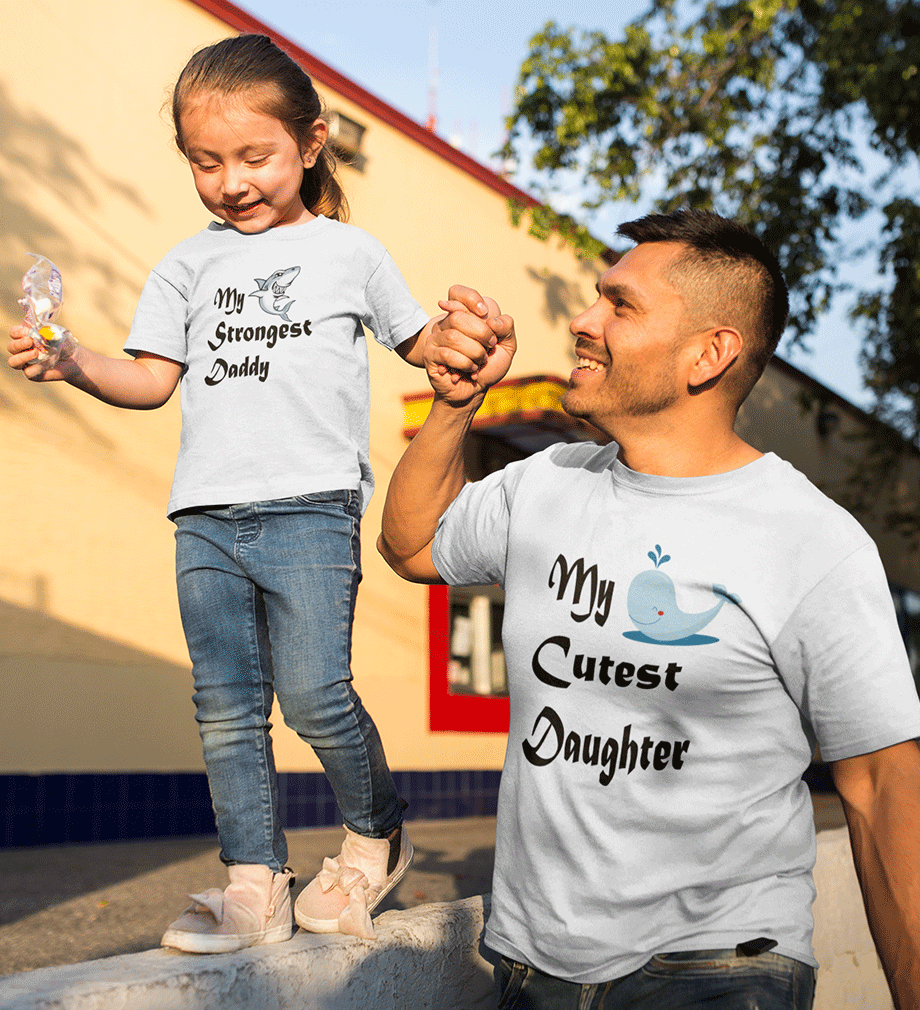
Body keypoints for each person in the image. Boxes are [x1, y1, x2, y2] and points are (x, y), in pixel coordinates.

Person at [378, 210, 920, 1009]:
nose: (583, 321)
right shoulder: (551, 482)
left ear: (711, 353)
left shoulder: (810, 541)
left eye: (620, 304)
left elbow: (880, 781)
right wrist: (454, 405)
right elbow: (412, 546)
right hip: (536, 969)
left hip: (720, 969)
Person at [6, 33, 466, 952]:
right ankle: (252, 879)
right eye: (205, 162)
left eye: (254, 156)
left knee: (315, 695)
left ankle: (377, 829)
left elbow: (423, 347)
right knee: (223, 707)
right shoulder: (185, 266)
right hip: (206, 517)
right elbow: (149, 379)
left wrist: (464, 341)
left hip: (311, 509)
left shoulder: (352, 254)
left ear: (312, 140)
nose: (231, 182)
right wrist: (73, 358)